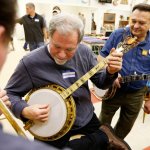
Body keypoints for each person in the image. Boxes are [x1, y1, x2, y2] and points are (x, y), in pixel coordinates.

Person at [5, 12, 131, 150]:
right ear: (48, 36)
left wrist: (110, 73)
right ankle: (102, 136)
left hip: (85, 117)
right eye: (57, 46)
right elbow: (10, 93)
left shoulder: (84, 52)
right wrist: (24, 110)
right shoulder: (30, 62)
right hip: (50, 126)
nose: (62, 54)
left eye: (70, 49)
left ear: (79, 43)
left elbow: (101, 83)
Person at [0, 1, 70, 150]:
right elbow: (11, 92)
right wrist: (24, 110)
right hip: (31, 43)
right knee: (34, 61)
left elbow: (44, 28)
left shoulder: (40, 18)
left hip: (39, 41)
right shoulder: (24, 19)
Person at [98, 3, 150, 139]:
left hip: (137, 94)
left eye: (142, 23)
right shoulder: (118, 35)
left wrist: (149, 98)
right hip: (114, 90)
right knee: (102, 125)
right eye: (133, 21)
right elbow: (101, 57)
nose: (136, 26)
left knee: (124, 129)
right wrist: (110, 73)